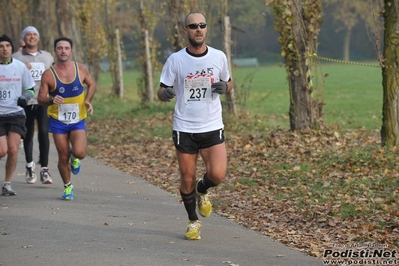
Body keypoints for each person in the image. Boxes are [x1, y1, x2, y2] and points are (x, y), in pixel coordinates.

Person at [157, 12, 233, 240]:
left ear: (206, 29)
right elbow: (161, 89)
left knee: (217, 175)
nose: (198, 29)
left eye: (202, 25)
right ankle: (193, 221)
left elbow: (229, 82)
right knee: (186, 177)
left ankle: (203, 189)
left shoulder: (218, 57)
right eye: (193, 26)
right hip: (184, 127)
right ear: (185, 30)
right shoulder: (176, 60)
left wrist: (225, 87)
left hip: (211, 124)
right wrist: (166, 93)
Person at [38, 37, 96, 200]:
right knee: (62, 156)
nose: (63, 51)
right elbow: (40, 98)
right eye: (60, 48)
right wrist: (51, 100)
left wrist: (87, 100)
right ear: (55, 51)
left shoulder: (81, 69)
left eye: (66, 48)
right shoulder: (48, 74)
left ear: (71, 51)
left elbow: (91, 84)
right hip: (58, 121)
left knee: (80, 152)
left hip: (77, 119)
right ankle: (68, 187)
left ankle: (75, 156)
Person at [13, 26, 54, 185]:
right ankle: (30, 166)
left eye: (34, 34)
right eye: (28, 35)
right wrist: (22, 70)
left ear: (38, 37)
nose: (31, 37)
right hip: (25, 102)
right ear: (24, 38)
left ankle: (44, 168)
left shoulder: (47, 56)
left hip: (43, 100)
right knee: (28, 134)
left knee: (44, 132)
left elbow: (53, 75)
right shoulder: (16, 57)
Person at [0, 35, 36, 196]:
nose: (5, 48)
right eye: (1, 46)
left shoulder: (20, 66)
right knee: (2, 151)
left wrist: (26, 97)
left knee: (13, 150)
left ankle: (7, 184)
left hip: (16, 113)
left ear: (12, 48)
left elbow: (30, 88)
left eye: (8, 45)